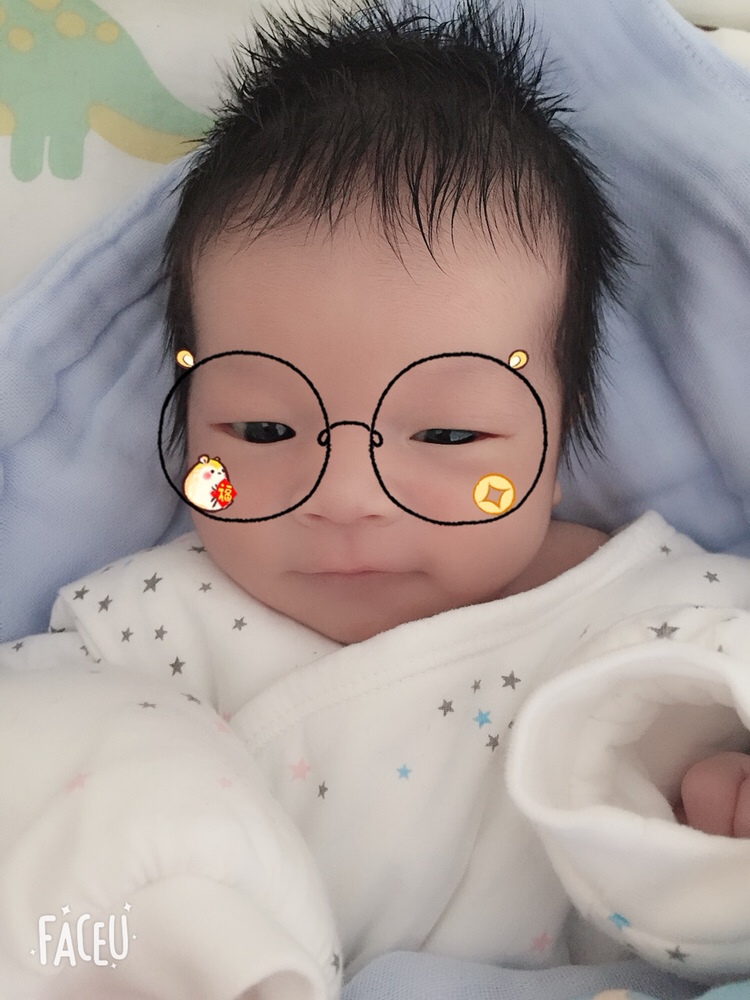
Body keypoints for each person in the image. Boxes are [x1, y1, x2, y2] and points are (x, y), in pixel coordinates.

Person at [1, 0, 750, 996]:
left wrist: (708, 846)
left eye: (447, 436)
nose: (346, 496)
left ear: (559, 440)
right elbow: (37, 787)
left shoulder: (668, 616)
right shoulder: (148, 627)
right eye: (263, 430)